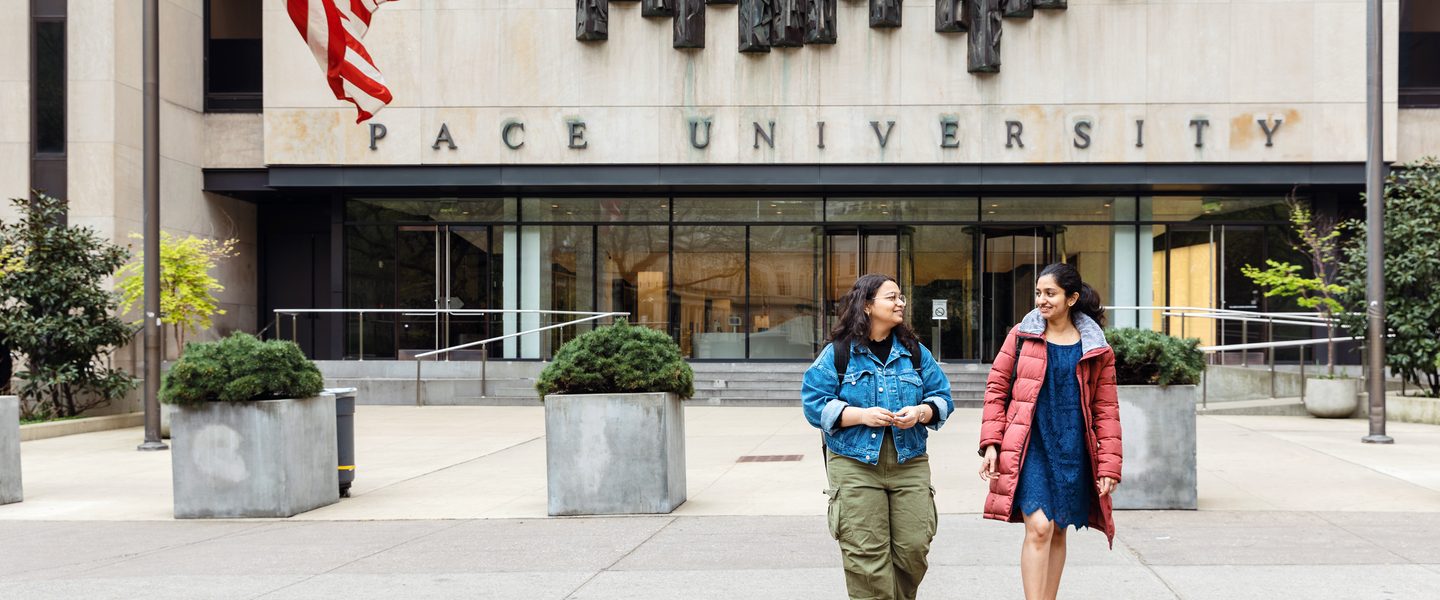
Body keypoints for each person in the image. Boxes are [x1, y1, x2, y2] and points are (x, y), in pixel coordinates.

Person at [802, 273, 954, 600]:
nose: (900, 303)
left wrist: (921, 412)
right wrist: (860, 416)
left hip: (909, 460)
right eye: (892, 297)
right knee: (867, 557)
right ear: (868, 305)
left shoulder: (914, 352)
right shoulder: (839, 353)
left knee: (913, 549)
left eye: (900, 297)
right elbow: (813, 403)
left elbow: (943, 396)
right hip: (855, 464)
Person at [978, 263, 1123, 600]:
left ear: (1071, 298)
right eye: (1039, 293)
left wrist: (1109, 466)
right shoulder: (1021, 335)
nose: (1041, 300)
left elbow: (1107, 410)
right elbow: (996, 389)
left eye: (1050, 293)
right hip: (1031, 445)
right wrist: (991, 444)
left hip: (1072, 447)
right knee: (1040, 528)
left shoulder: (1096, 347)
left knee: (1058, 529)